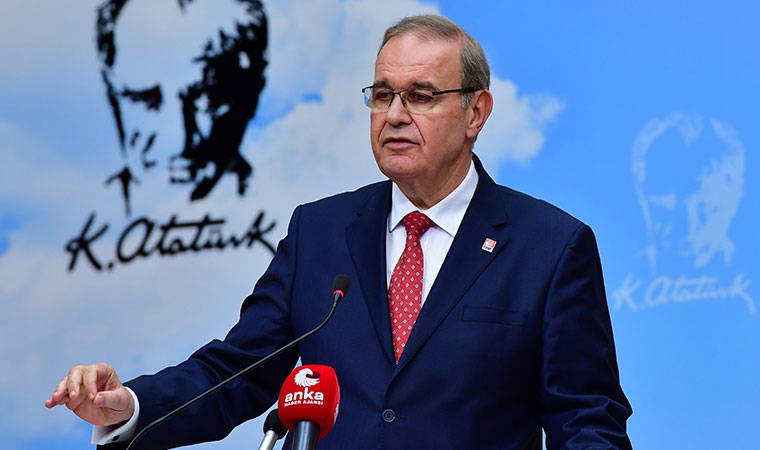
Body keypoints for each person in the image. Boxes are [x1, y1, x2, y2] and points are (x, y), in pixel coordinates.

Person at [46, 14, 633, 449]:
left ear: (476, 112)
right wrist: (129, 405)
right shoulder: (320, 231)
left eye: (421, 96)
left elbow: (586, 419)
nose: (395, 115)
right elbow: (237, 371)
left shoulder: (549, 246)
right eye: (383, 95)